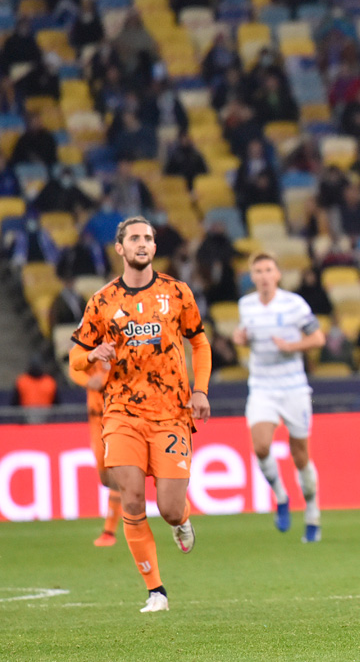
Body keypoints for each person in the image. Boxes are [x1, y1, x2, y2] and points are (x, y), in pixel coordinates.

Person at [68, 216, 212, 613]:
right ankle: (156, 592)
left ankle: (181, 519)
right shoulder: (102, 301)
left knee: (169, 508)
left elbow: (199, 343)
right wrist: (92, 356)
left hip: (171, 414)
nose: (143, 243)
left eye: (148, 237)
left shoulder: (176, 292)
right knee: (131, 499)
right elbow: (75, 355)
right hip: (121, 413)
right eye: (134, 238)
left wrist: (200, 390)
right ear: (120, 248)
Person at [233, 253, 327, 543]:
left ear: (277, 275)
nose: (263, 276)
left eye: (268, 270)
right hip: (262, 387)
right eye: (258, 271)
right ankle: (281, 496)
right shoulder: (246, 305)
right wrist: (240, 339)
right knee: (261, 446)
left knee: (301, 456)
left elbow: (318, 338)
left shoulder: (294, 304)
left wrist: (291, 346)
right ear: (252, 276)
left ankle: (312, 512)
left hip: (294, 388)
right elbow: (245, 336)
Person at [67, 358, 121, 546]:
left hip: (118, 417)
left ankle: (109, 531)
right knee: (105, 477)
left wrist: (104, 379)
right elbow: (74, 367)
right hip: (96, 420)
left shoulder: (121, 343)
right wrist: (88, 381)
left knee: (117, 474)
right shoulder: (89, 345)